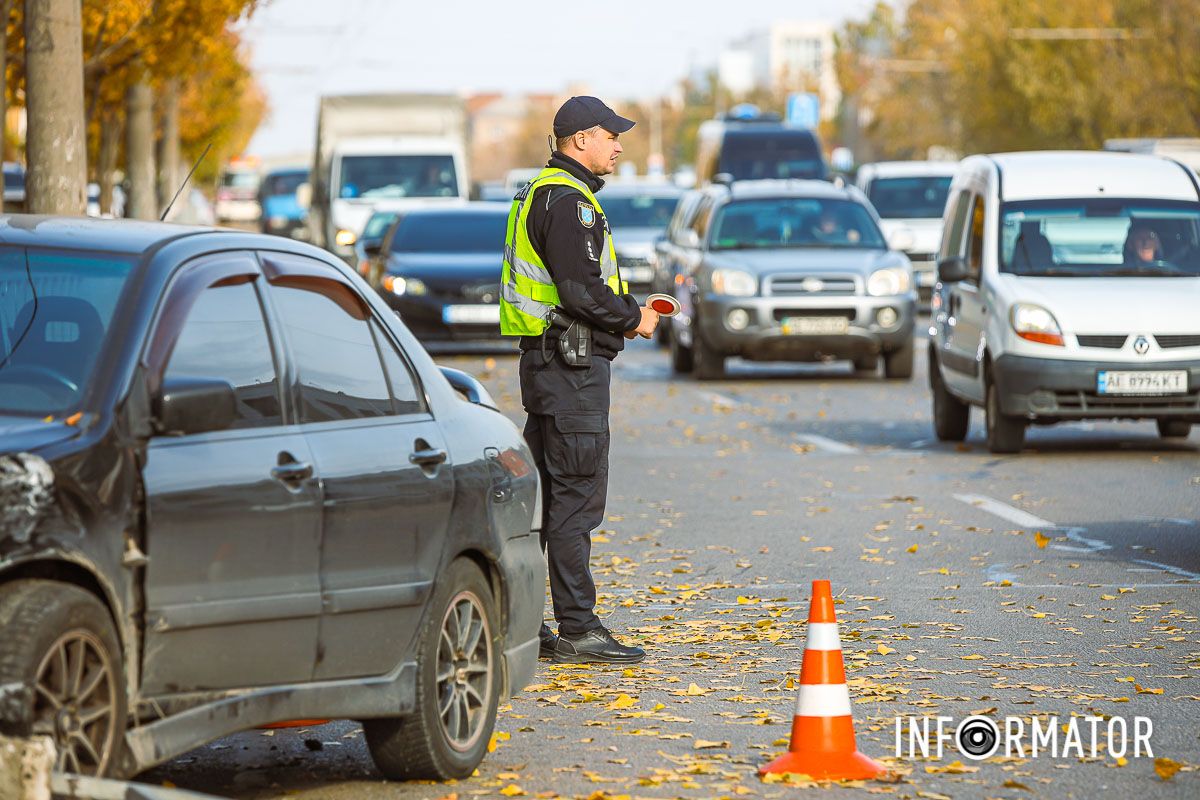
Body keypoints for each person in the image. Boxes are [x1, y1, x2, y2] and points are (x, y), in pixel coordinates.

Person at [500, 96, 659, 664]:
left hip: (547, 365)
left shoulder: (537, 191)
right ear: (580, 140)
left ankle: (522, 622)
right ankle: (578, 628)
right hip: (570, 368)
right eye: (611, 136)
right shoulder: (571, 203)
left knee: (539, 501)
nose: (618, 146)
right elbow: (581, 290)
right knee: (574, 501)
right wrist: (634, 316)